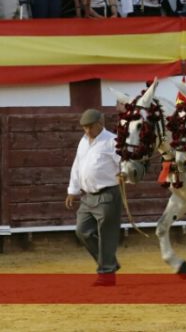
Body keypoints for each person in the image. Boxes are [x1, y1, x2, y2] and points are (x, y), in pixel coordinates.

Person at [65, 109, 122, 286]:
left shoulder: (112, 141)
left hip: (107, 194)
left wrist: (125, 173)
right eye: (84, 128)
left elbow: (125, 162)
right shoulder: (83, 142)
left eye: (90, 127)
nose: (87, 131)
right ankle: (110, 263)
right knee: (82, 231)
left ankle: (107, 274)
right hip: (88, 196)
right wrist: (73, 190)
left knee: (107, 235)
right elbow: (77, 166)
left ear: (100, 123)